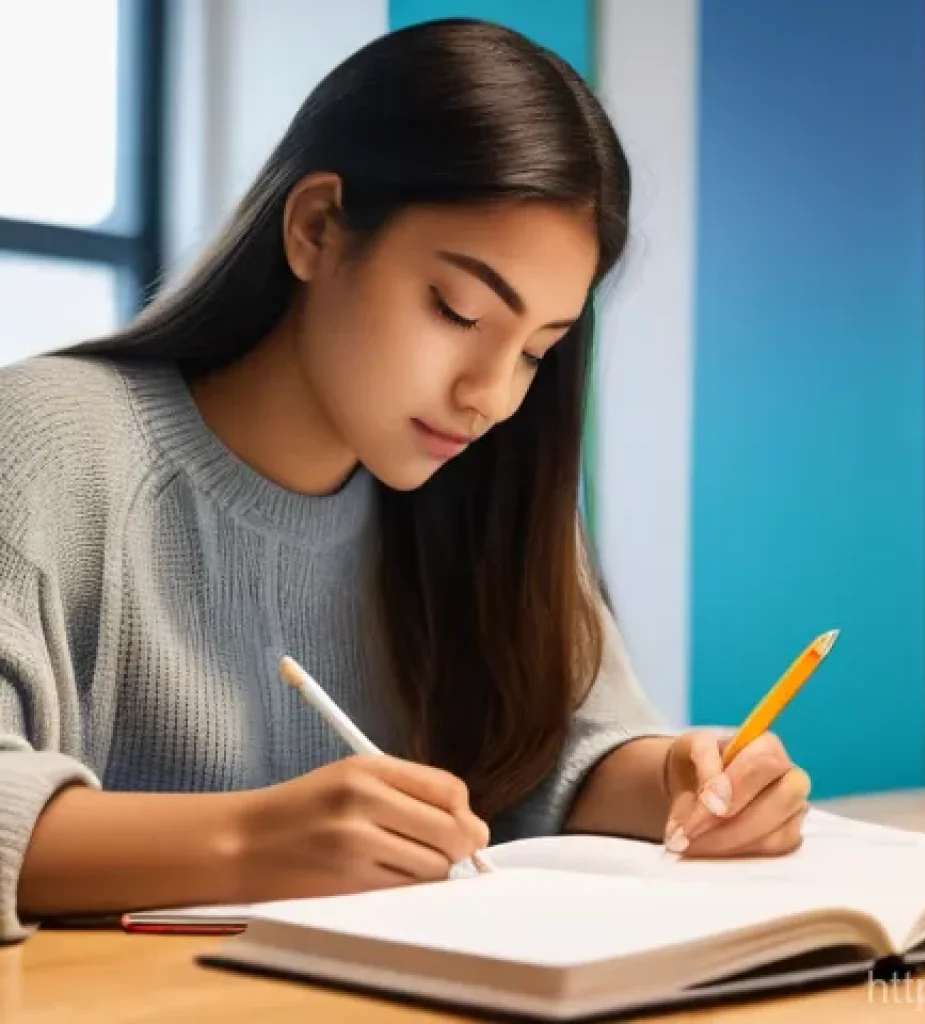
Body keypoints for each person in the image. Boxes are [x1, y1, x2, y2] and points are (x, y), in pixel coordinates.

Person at [0, 18, 810, 943]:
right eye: (458, 310)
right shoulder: (46, 446)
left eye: (538, 352)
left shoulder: (480, 487)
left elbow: (557, 755)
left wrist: (688, 781)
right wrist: (248, 839)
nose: (491, 397)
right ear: (315, 230)